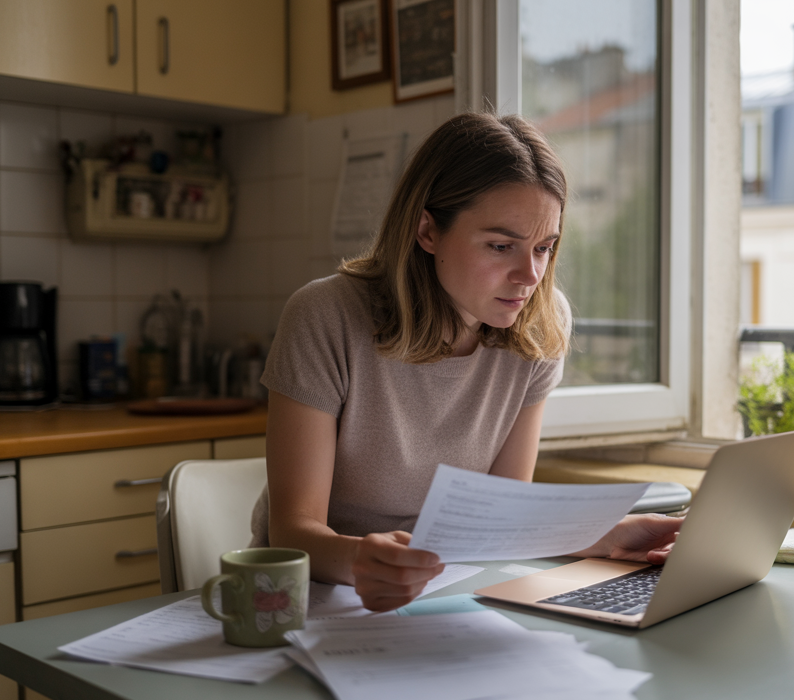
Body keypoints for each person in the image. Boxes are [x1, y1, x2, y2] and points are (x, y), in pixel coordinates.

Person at [250, 112, 681, 612]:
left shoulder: (539, 327)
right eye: (501, 246)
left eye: (544, 247)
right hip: (310, 599)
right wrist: (359, 560)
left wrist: (609, 537)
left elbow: (500, 518)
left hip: (445, 593)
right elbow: (292, 534)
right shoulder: (325, 316)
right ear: (427, 231)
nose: (530, 275)